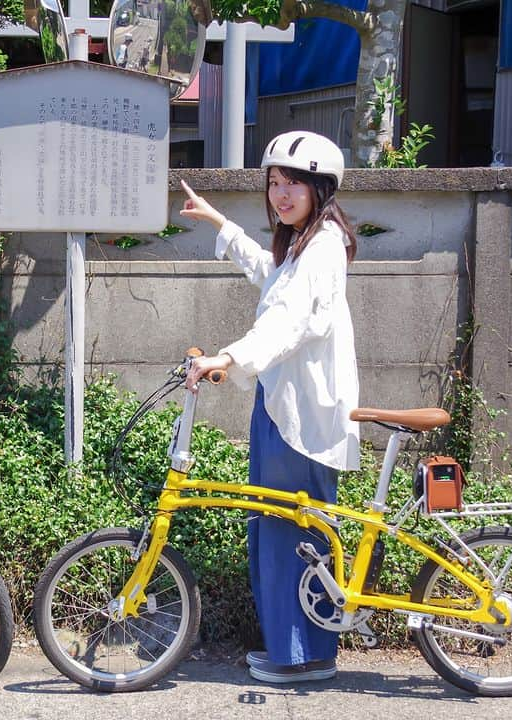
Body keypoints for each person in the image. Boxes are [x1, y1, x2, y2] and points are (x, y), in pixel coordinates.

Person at [179, 131, 359, 684]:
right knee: (275, 526)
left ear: (319, 188)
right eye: (274, 184)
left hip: (302, 417)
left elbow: (291, 322)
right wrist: (218, 222)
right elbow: (268, 272)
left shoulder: (324, 245)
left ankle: (305, 657)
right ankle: (290, 649)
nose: (281, 195)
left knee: (294, 533)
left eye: (293, 184)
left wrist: (229, 357)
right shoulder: (301, 241)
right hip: (280, 406)